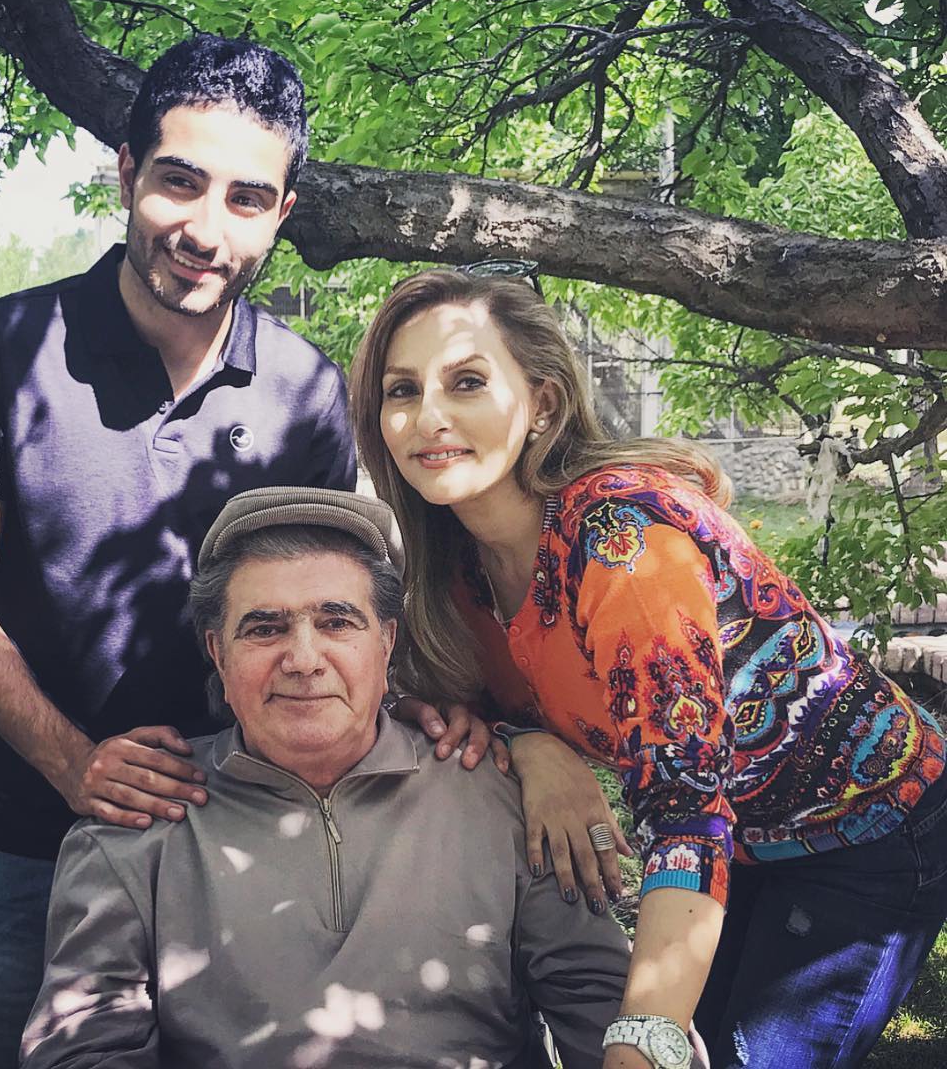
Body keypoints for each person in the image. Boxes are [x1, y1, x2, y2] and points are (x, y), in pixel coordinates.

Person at [348, 268, 947, 1069]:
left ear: (543, 404)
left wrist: (642, 1042)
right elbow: (452, 708)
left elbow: (685, 810)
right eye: (401, 390)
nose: (429, 416)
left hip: (870, 823)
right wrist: (533, 745)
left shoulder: (623, 545)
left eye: (467, 382)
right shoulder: (457, 571)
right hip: (745, 837)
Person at [0, 35, 358, 1069]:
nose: (206, 229)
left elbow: (339, 614)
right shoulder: (5, 346)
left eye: (247, 199)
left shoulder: (306, 389)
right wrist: (75, 764)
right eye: (179, 181)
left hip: (251, 832)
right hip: (45, 837)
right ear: (126, 172)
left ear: (282, 215)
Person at [18, 486, 632, 1069]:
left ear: (386, 645)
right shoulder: (135, 825)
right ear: (218, 654)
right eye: (264, 628)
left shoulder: (505, 798)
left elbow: (604, 1010)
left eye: (337, 622)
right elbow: (83, 1047)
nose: (304, 659)